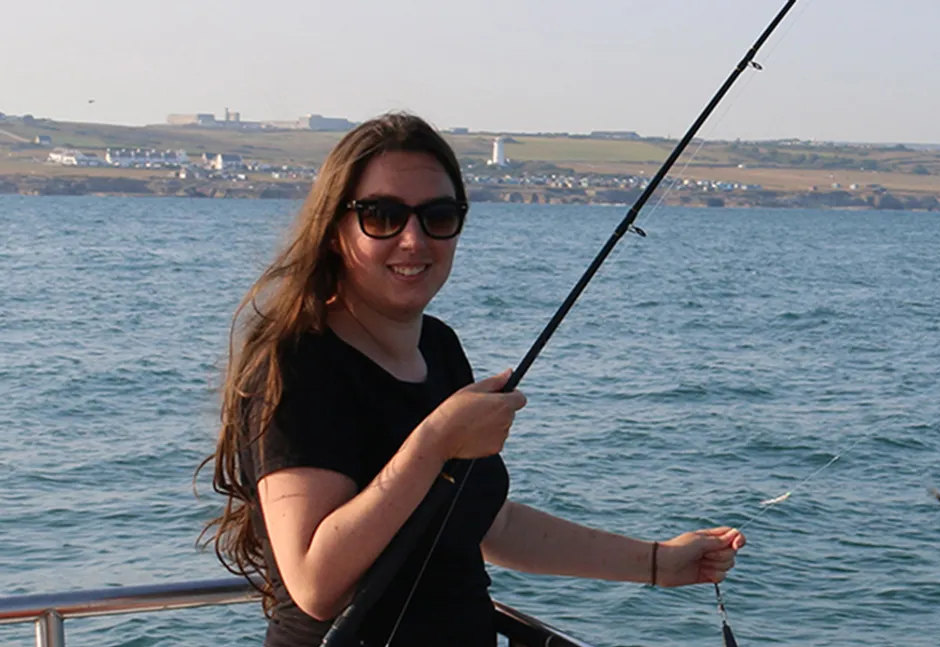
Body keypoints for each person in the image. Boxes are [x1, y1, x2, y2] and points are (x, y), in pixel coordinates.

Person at [199, 112, 745, 647]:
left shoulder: (439, 347)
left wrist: (657, 562)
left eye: (437, 215)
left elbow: (490, 524)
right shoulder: (298, 363)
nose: (413, 239)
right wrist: (434, 442)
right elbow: (316, 583)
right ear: (335, 229)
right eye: (382, 215)